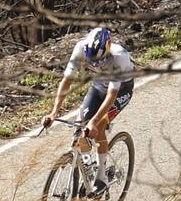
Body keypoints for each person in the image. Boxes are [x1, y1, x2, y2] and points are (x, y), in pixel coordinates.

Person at [44, 23, 140, 155]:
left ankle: (101, 175)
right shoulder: (80, 48)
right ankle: (86, 165)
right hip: (99, 83)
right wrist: (54, 112)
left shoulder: (119, 56)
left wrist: (94, 121)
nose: (95, 64)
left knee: (98, 125)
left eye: (100, 60)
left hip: (122, 88)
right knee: (80, 128)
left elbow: (112, 94)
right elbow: (67, 81)